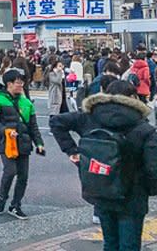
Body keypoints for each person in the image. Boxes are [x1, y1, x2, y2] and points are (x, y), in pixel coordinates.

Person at [51, 80, 157, 251]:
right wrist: (151, 189)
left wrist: (72, 151)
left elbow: (57, 122)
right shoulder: (144, 128)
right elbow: (153, 167)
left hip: (100, 188)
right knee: (129, 246)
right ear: (133, 98)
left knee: (110, 243)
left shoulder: (90, 117)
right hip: (132, 196)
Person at [0, 69, 45, 219]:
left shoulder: (26, 103)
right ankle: (2, 199)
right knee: (10, 171)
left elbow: (33, 125)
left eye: (22, 82)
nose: (21, 85)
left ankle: (16, 205)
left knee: (23, 176)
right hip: (6, 142)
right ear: (9, 84)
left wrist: (39, 142)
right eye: (18, 82)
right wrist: (5, 130)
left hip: (24, 142)